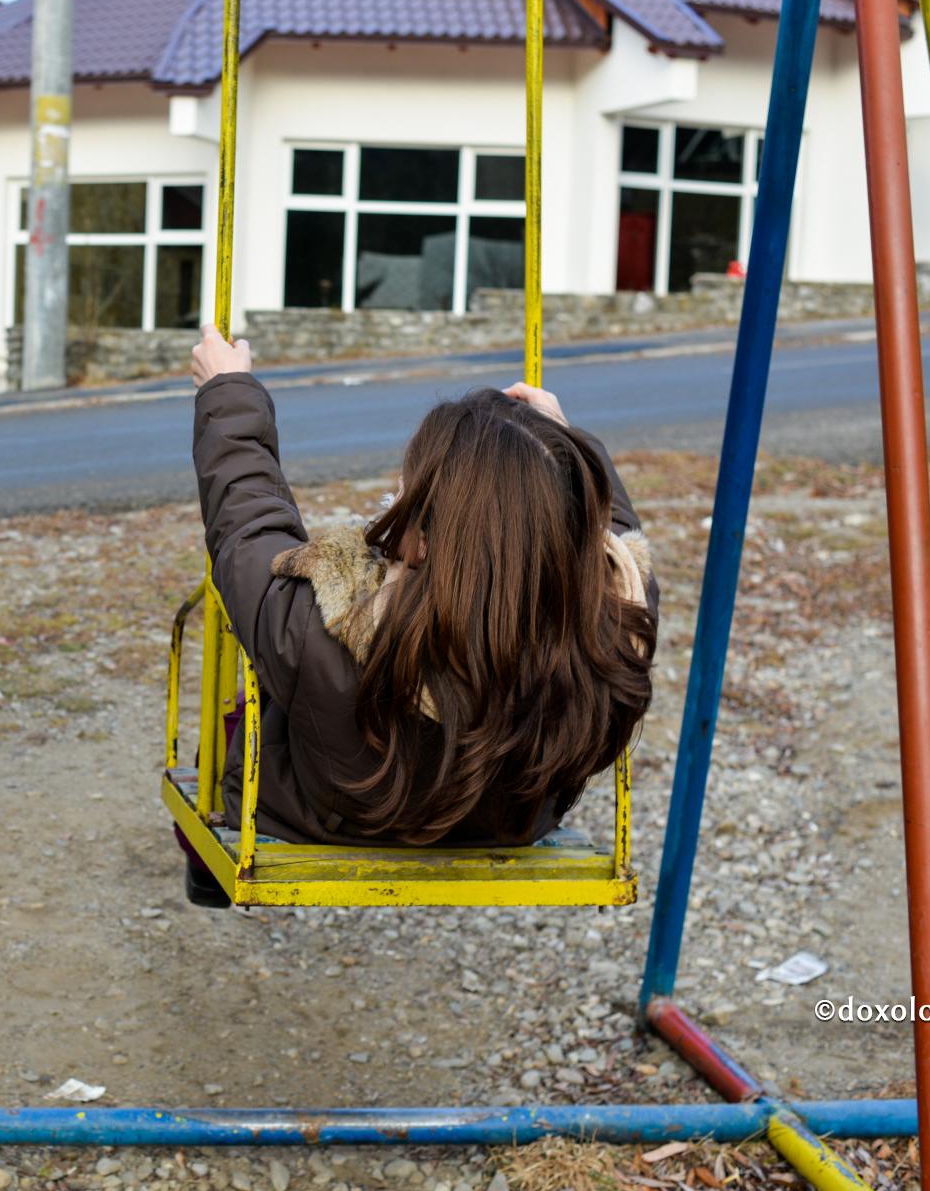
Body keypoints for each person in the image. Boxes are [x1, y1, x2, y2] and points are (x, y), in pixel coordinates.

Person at [184, 325, 658, 904]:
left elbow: (249, 529)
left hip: (341, 818)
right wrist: (561, 446)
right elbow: (614, 536)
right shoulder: (612, 626)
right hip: (508, 822)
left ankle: (203, 869)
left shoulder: (319, 630)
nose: (396, 496)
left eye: (406, 490)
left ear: (430, 540)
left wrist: (229, 393)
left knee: (240, 719)